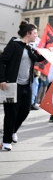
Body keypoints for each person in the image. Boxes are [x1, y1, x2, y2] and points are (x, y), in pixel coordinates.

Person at [0, 21, 45, 151]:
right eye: (35, 33)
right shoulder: (14, 45)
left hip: (26, 85)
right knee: (11, 114)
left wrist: (49, 52)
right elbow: (2, 61)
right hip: (13, 85)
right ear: (28, 33)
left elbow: (38, 58)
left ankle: (13, 131)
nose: (37, 36)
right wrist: (2, 79)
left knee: (25, 111)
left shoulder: (30, 47)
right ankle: (6, 141)